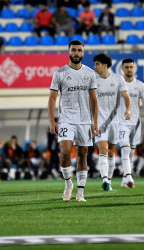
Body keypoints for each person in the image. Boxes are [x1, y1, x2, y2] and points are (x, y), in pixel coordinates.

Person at [48, 40, 99, 202]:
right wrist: (52, 121)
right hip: (66, 120)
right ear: (69, 52)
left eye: (79, 50)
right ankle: (68, 183)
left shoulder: (90, 73)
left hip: (84, 121)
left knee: (82, 156)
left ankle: (80, 193)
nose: (76, 53)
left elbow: (94, 100)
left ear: (83, 53)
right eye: (74, 50)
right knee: (64, 153)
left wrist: (95, 122)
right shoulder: (60, 73)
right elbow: (52, 99)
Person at [93, 53, 131, 191]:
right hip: (100, 122)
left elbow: (126, 96)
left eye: (97, 64)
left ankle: (108, 180)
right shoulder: (93, 80)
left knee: (111, 152)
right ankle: (104, 180)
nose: (94, 66)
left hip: (115, 121)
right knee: (103, 150)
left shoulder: (118, 79)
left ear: (104, 65)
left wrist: (128, 109)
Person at [118, 58, 144, 188]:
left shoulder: (140, 85)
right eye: (126, 67)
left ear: (134, 68)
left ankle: (124, 179)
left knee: (131, 153)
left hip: (135, 124)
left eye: (131, 67)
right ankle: (129, 177)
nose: (129, 69)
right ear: (122, 69)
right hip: (121, 122)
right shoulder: (118, 84)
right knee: (125, 149)